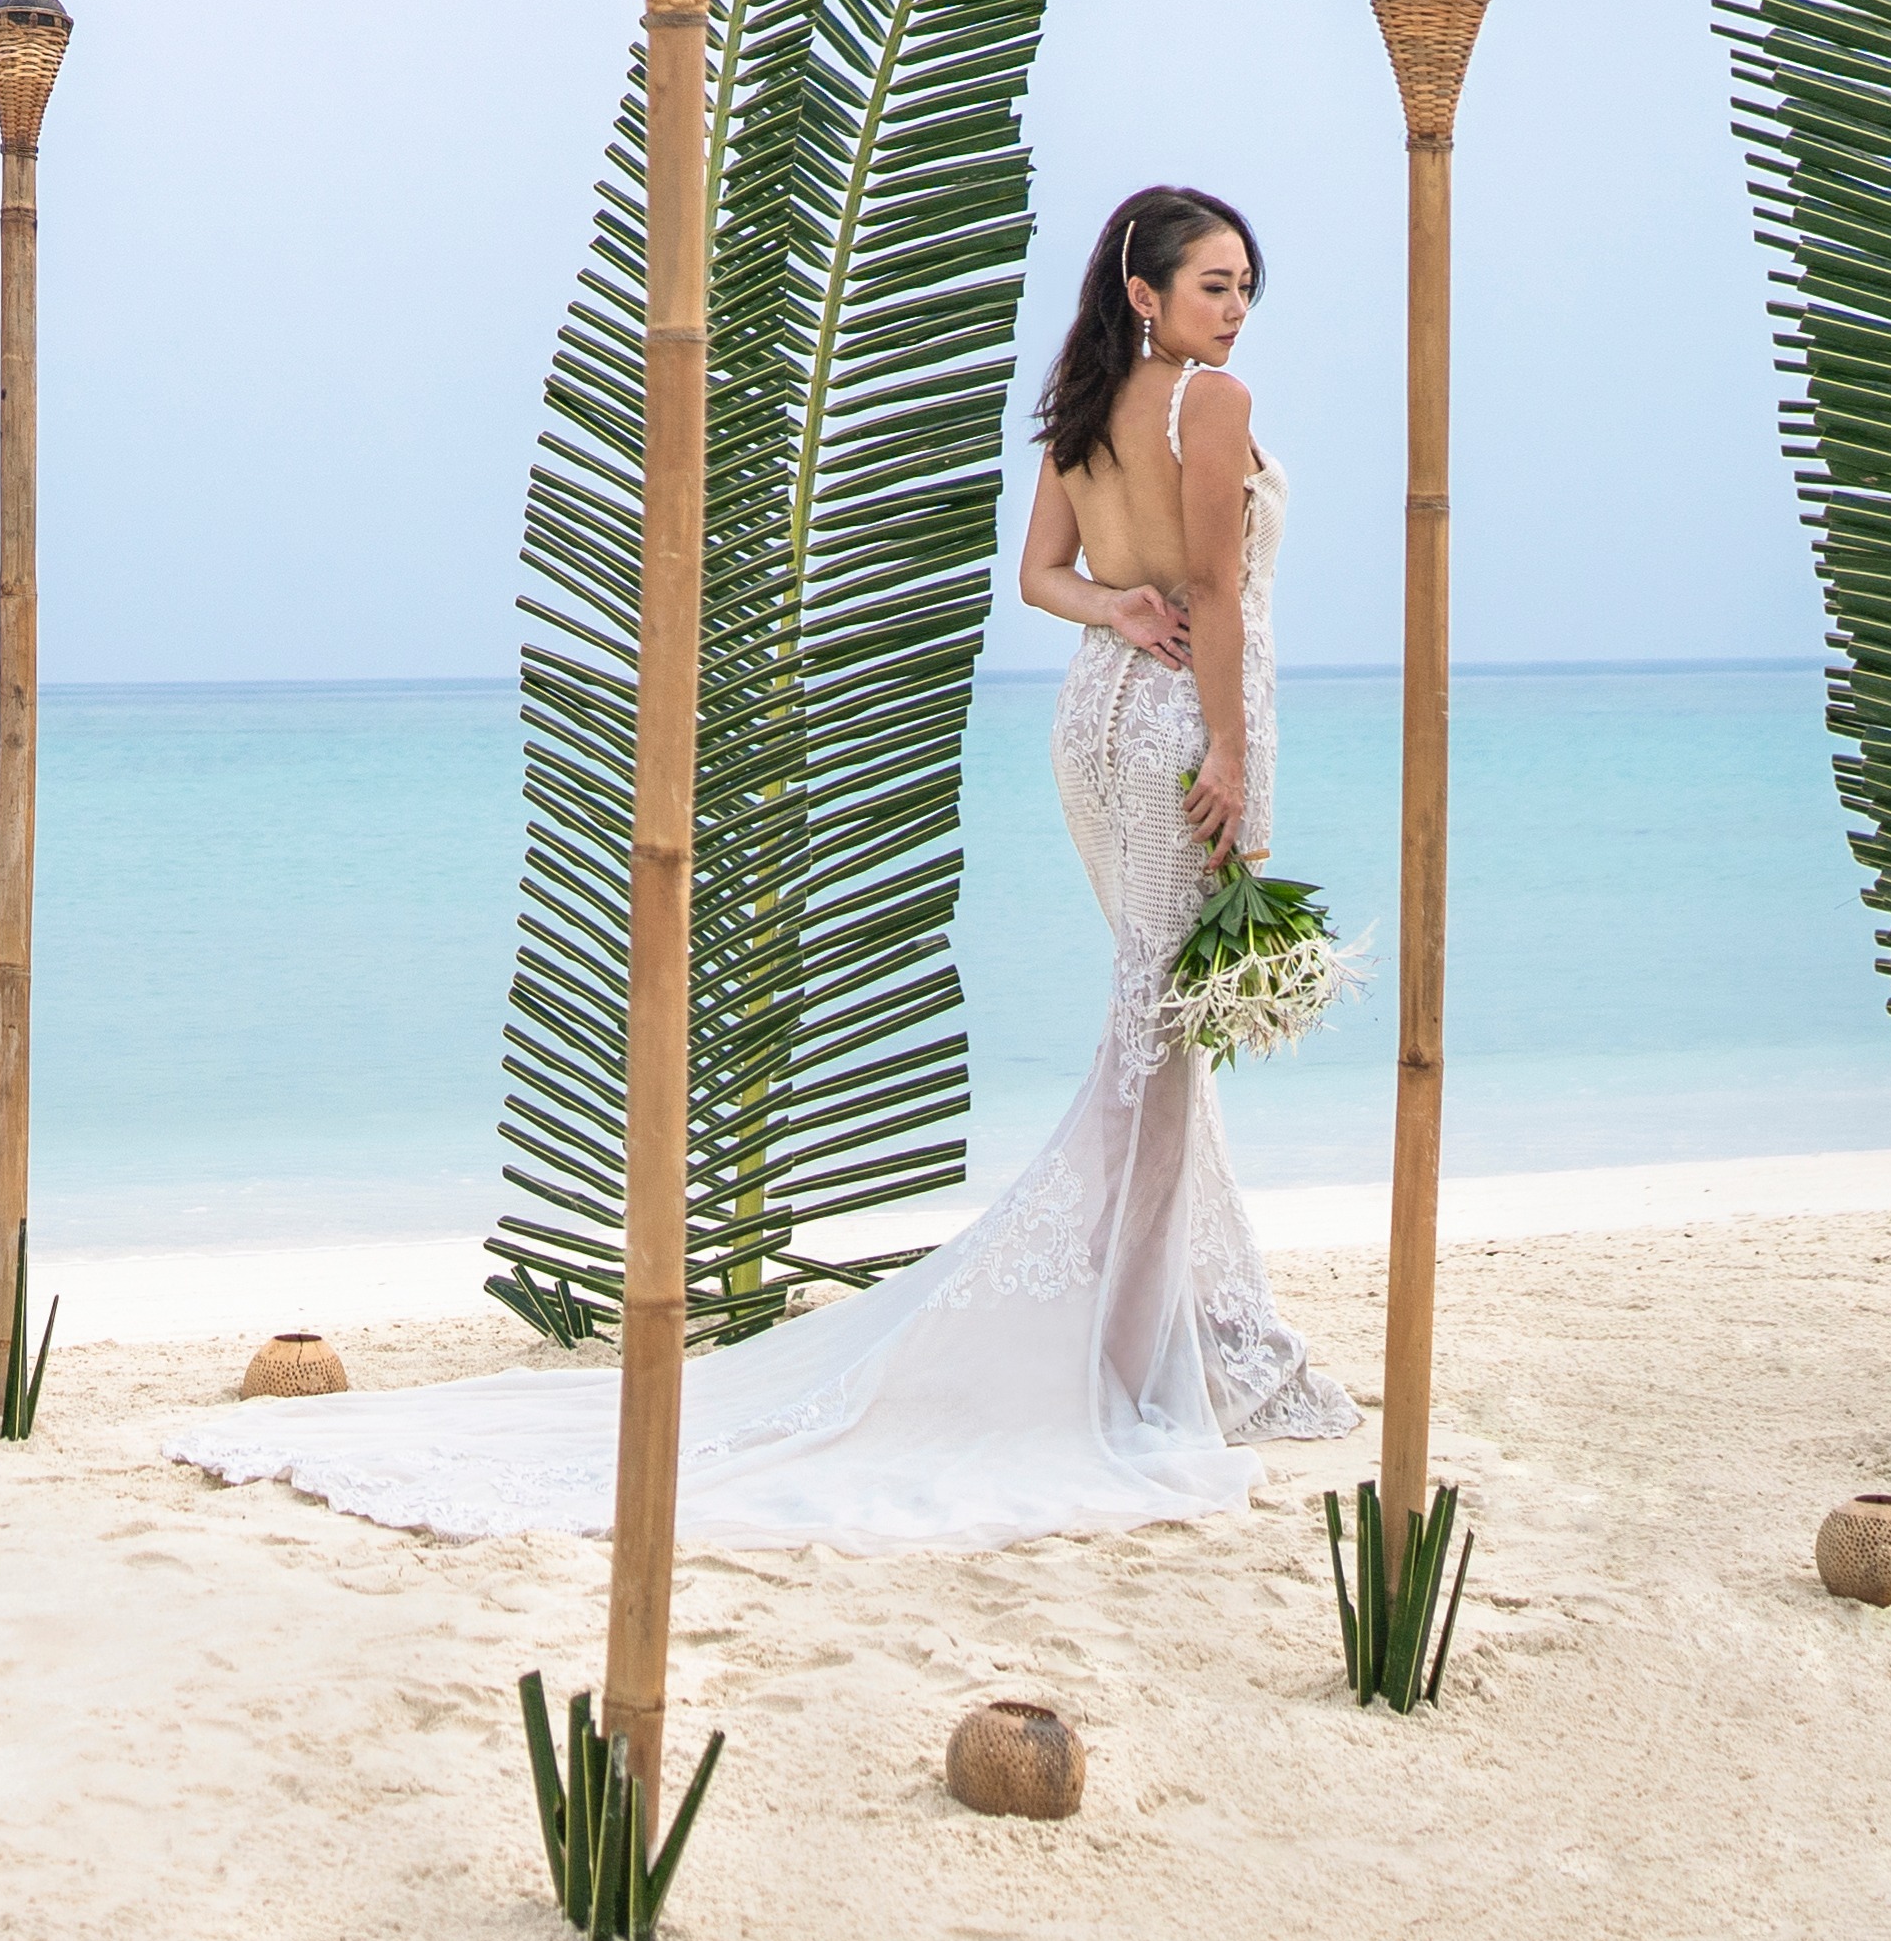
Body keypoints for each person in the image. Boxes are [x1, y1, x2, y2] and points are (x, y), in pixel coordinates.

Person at [169, 183, 1357, 1552]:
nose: (1237, 308)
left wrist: (1112, 605)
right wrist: (1236, 767)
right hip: (1167, 731)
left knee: (1159, 1028)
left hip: (1090, 726)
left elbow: (1043, 577)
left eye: (1245, 287)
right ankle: (1118, 1356)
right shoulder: (1208, 405)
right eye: (1215, 284)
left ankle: (1186, 1330)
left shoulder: (1084, 405)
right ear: (1148, 293)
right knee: (1157, 1037)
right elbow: (1215, 596)